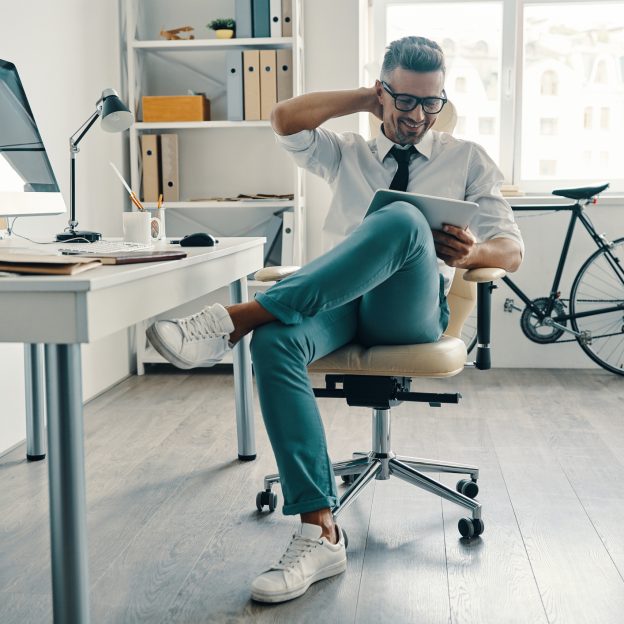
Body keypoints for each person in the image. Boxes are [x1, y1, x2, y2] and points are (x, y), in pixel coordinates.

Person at [146, 36, 523, 604]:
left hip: (410, 312)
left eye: (431, 103)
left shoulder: (466, 158)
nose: (417, 116)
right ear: (382, 91)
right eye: (405, 101)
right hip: (336, 306)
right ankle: (319, 531)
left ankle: (234, 318)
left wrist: (470, 255)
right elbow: (283, 119)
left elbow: (510, 251)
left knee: (400, 218)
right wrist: (365, 102)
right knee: (274, 344)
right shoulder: (347, 150)